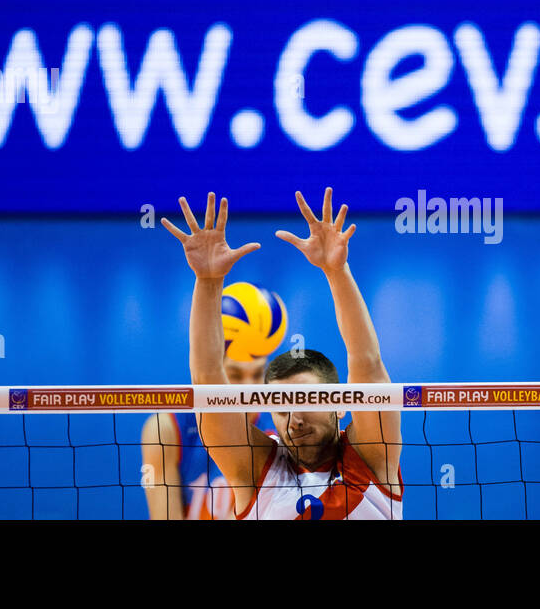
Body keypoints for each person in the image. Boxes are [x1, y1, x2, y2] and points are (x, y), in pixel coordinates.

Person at [161, 189, 401, 520]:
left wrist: (337, 272)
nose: (294, 420)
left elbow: (367, 362)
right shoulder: (255, 468)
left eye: (306, 401)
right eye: (281, 408)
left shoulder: (372, 456)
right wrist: (208, 282)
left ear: (342, 404)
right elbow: (206, 382)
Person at [140, 287, 280, 520]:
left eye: (257, 375)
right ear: (213, 376)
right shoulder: (166, 431)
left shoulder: (279, 430)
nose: (248, 389)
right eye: (234, 375)